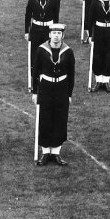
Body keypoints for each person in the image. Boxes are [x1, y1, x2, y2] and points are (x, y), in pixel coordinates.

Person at [32, 23, 75, 166]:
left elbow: (71, 74)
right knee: (45, 118)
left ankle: (56, 152)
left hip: (61, 88)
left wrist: (69, 94)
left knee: (60, 119)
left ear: (62, 35)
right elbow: (35, 72)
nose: (56, 36)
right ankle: (45, 152)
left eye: (59, 33)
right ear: (49, 34)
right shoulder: (41, 50)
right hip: (45, 88)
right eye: (54, 33)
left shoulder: (68, 51)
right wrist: (34, 91)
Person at [25, 0, 61, 91]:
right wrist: (27, 32)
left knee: (47, 54)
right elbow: (27, 16)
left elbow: (56, 17)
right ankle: (34, 80)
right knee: (35, 55)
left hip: (48, 31)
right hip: (35, 30)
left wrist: (55, 33)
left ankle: (46, 78)